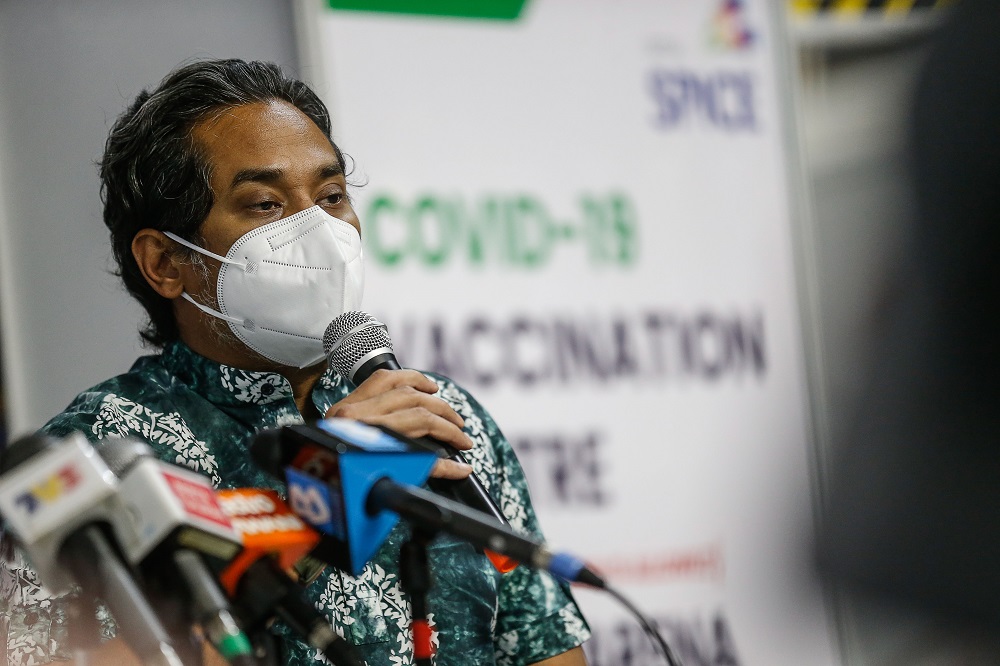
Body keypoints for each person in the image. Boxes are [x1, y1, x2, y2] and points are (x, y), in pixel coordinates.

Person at [0, 58, 590, 666]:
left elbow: (547, 648)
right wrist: (311, 509)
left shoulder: (436, 414)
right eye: (264, 204)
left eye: (331, 196)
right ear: (165, 264)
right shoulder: (97, 456)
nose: (319, 230)